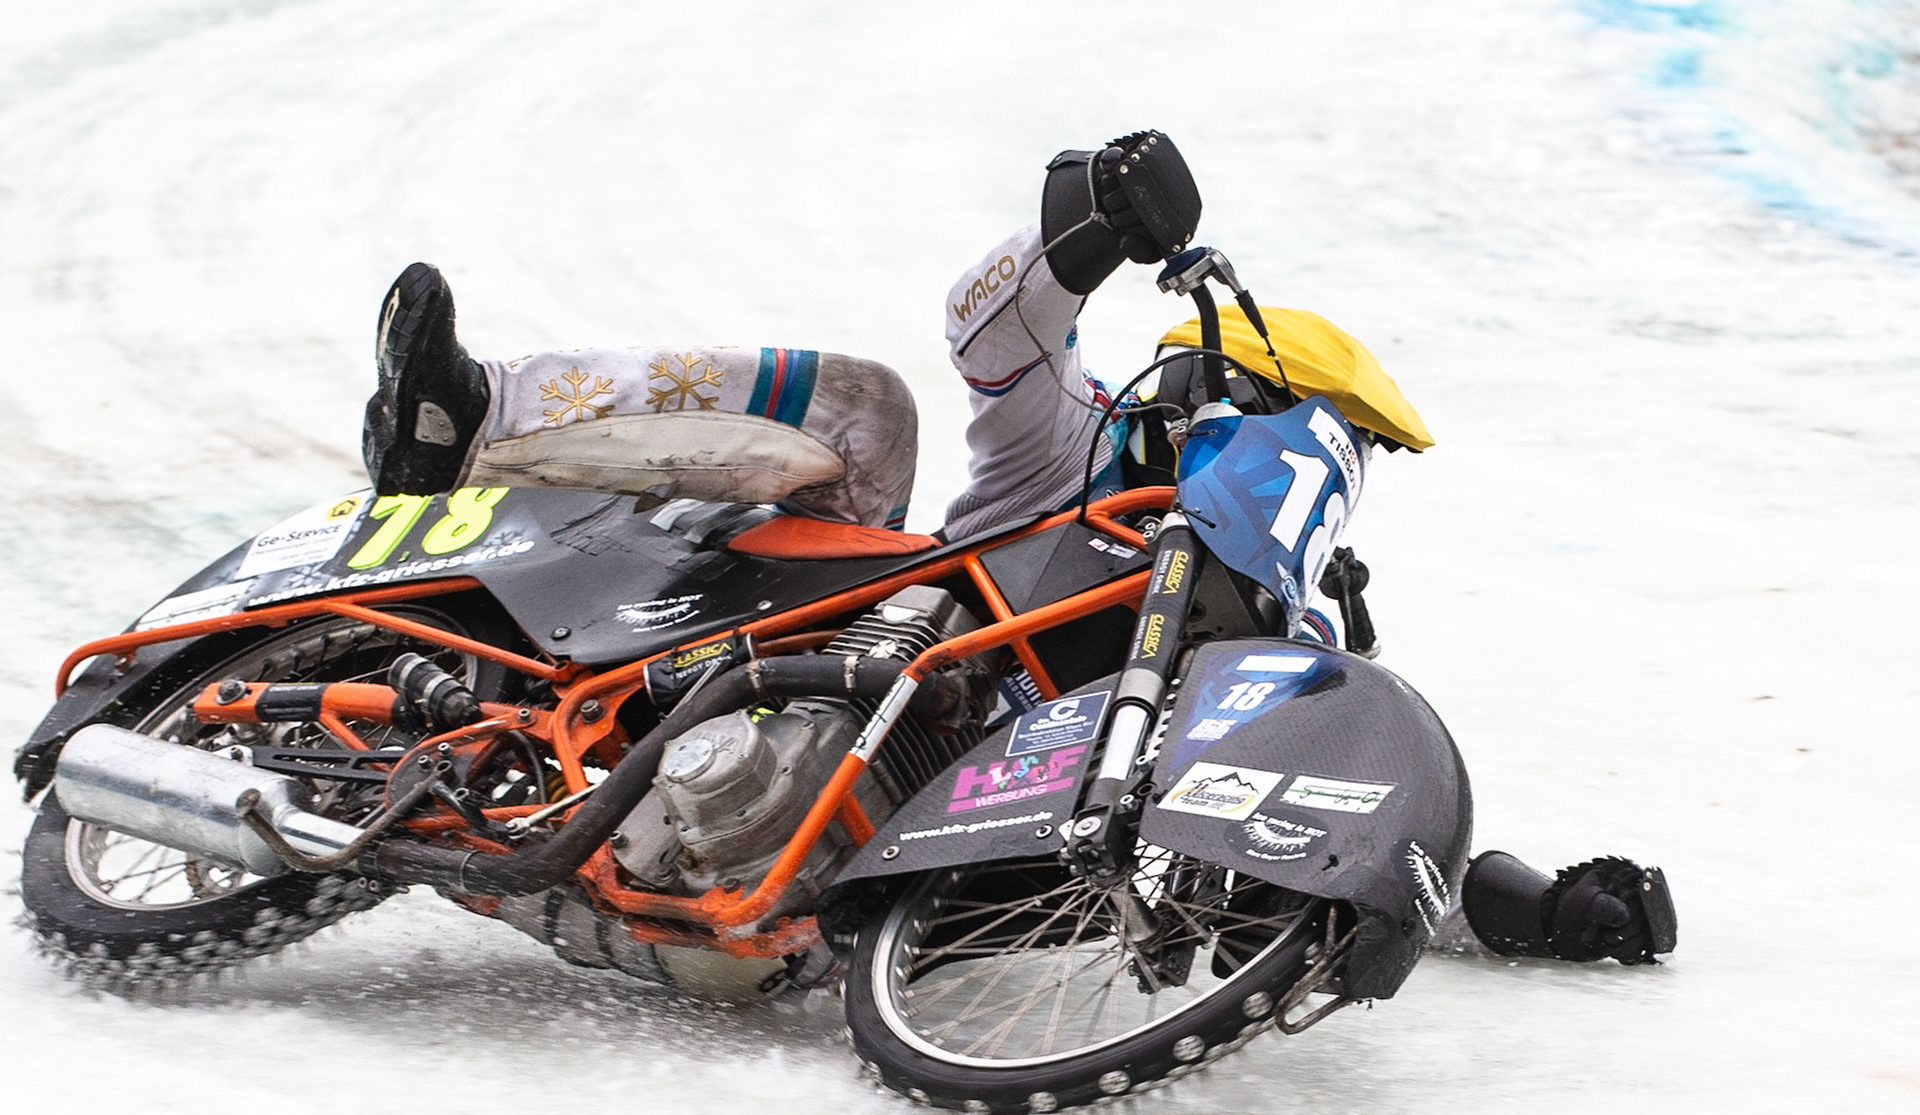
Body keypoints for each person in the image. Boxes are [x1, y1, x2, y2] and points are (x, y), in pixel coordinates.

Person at [359, 131, 1675, 966]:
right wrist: (1090, 219)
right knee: (868, 411)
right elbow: (994, 333)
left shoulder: (1283, 636)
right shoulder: (1072, 454)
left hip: (880, 855)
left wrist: (1535, 903)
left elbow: (1339, 822)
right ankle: (468, 421)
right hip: (808, 634)